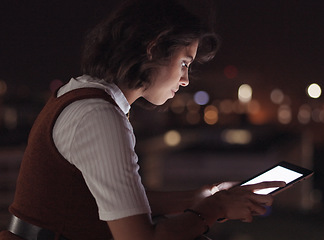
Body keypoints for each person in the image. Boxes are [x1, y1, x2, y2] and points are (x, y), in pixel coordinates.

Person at [0, 0, 285, 239]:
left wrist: (203, 197)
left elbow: (119, 200)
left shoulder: (79, 94)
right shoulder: (99, 116)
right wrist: (216, 209)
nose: (186, 79)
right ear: (154, 48)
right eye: (184, 63)